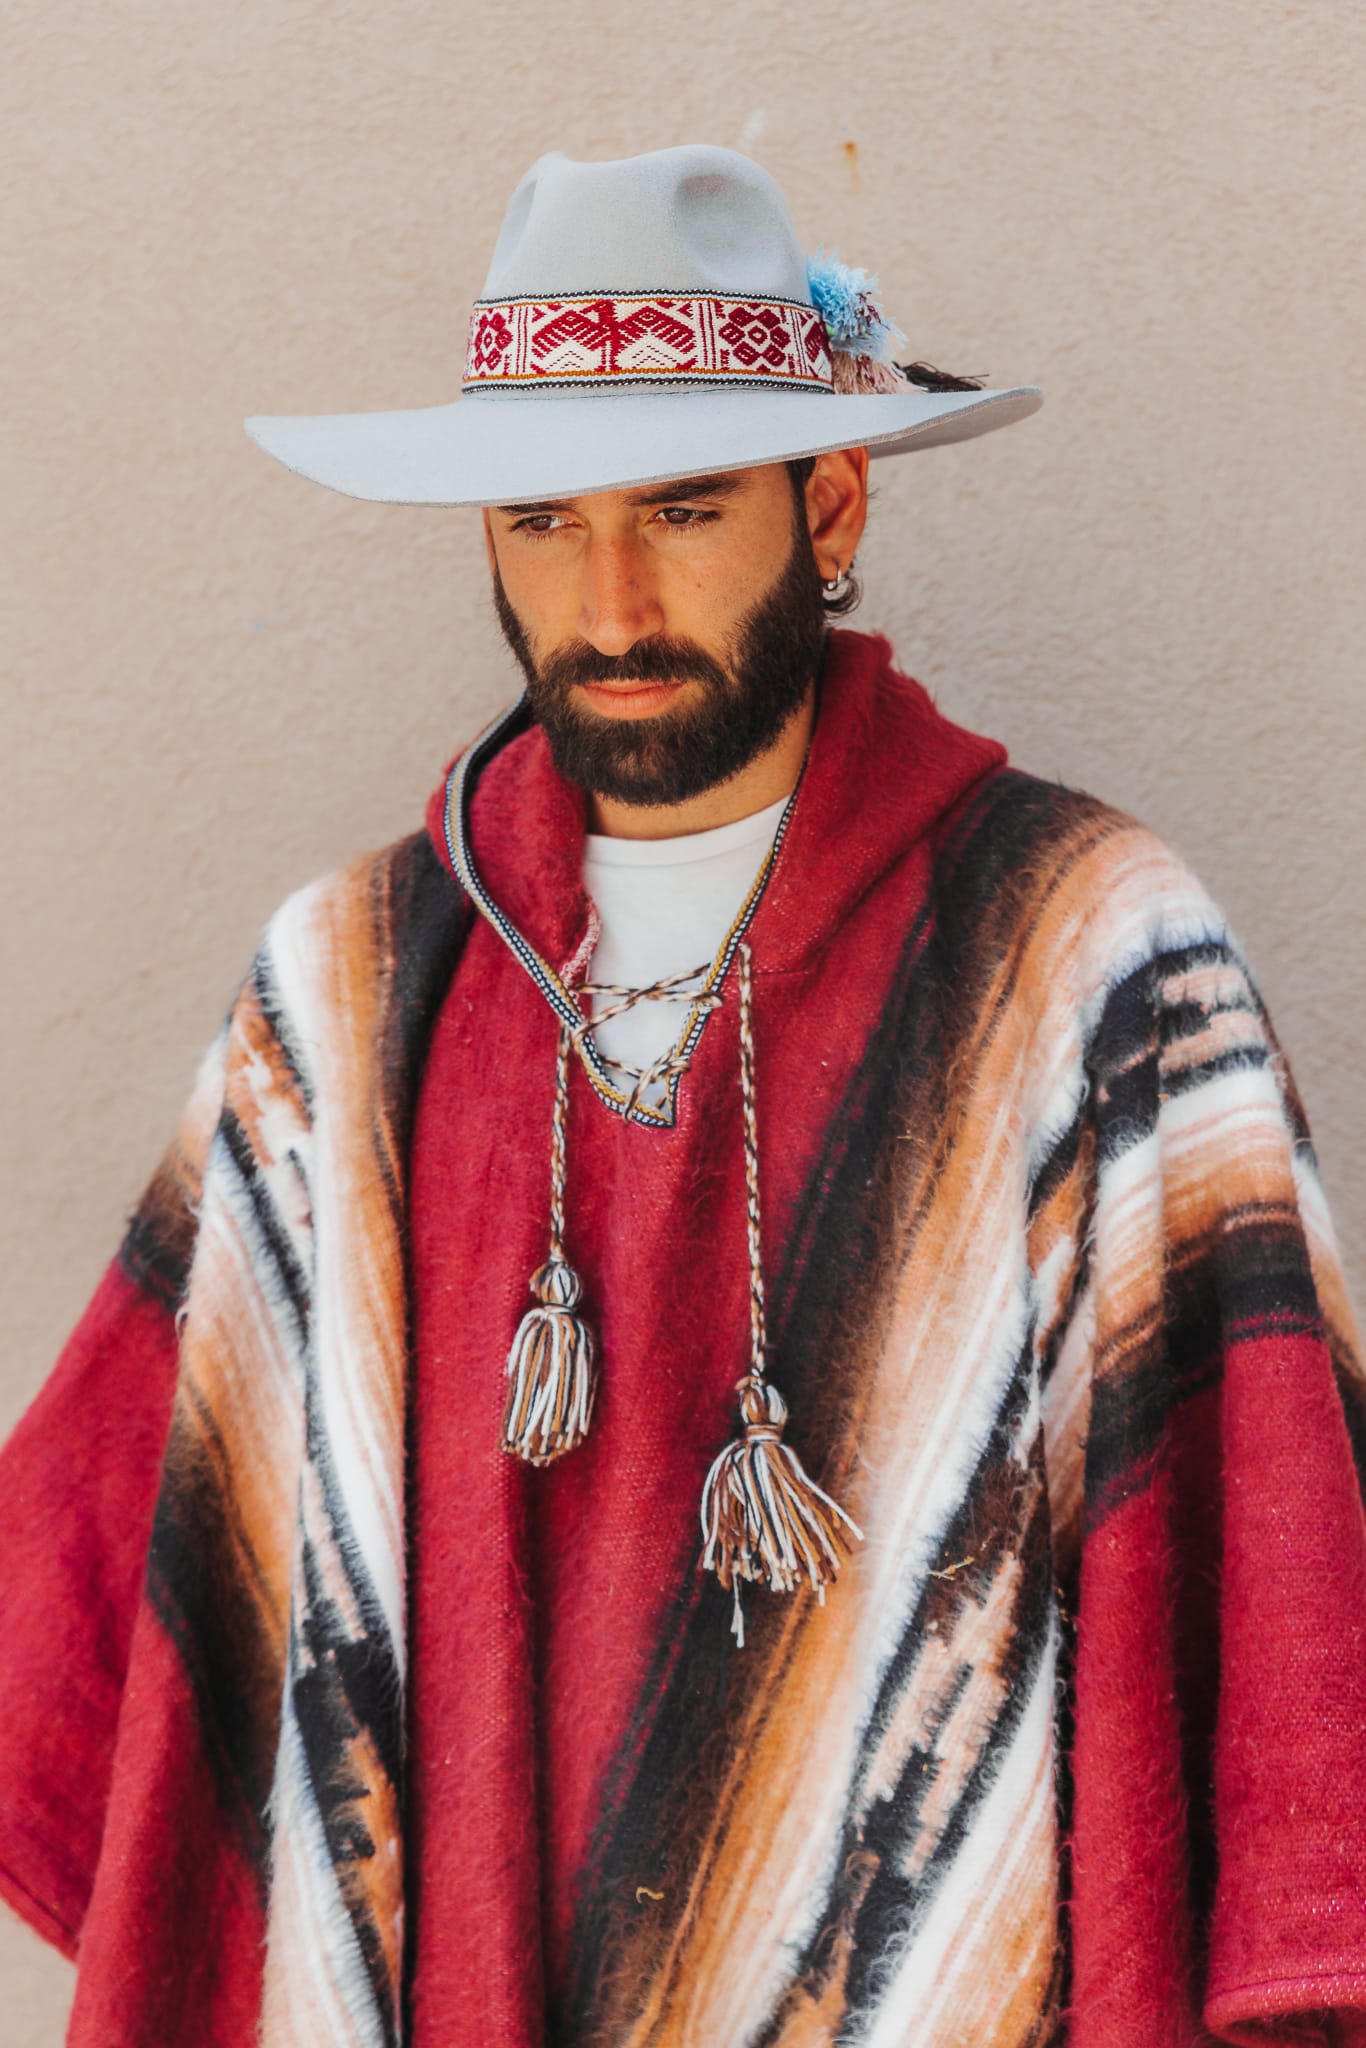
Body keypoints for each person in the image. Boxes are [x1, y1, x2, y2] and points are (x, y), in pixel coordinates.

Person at [2, 142, 1364, 2048]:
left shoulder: (1086, 956)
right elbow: (136, 1599)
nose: (613, 600)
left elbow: (1266, 1597)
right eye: (542, 521)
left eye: (685, 508)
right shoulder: (351, 987)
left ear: (830, 500)